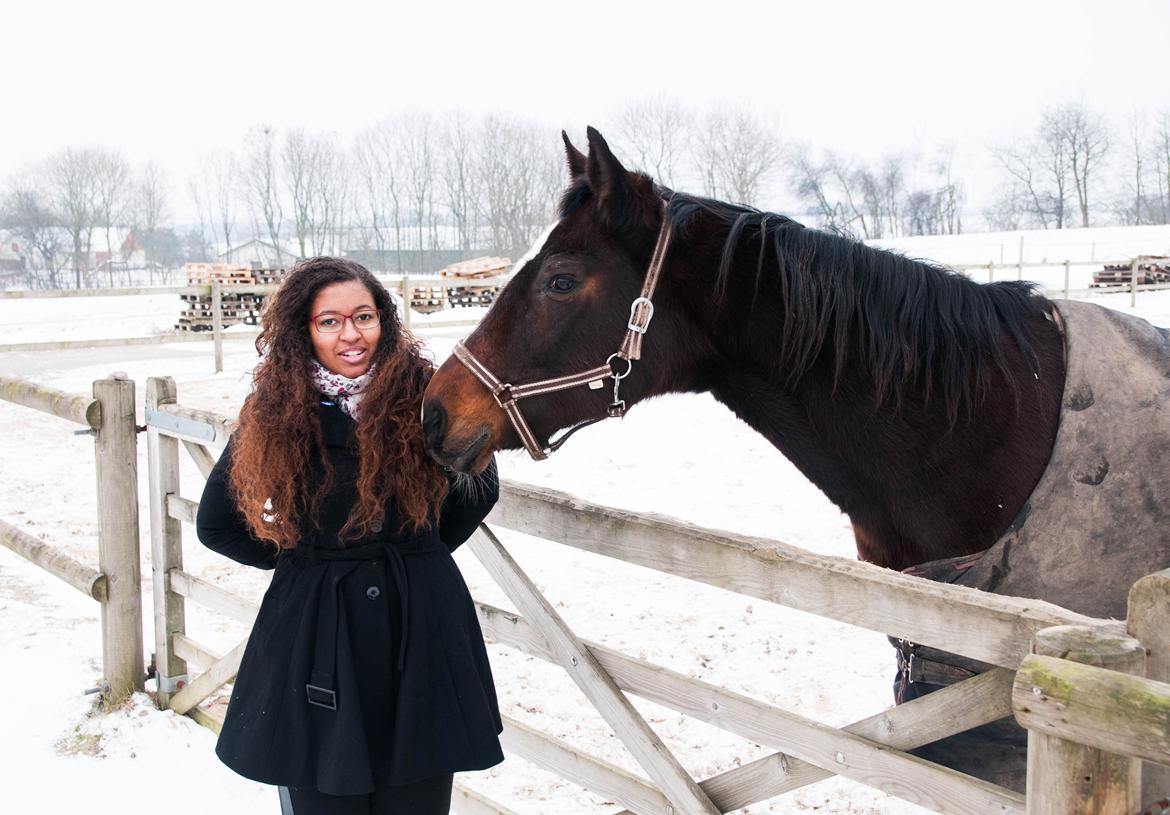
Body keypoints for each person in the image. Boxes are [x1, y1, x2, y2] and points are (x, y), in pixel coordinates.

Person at [196, 256, 503, 814]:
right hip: (318, 633)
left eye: (363, 316)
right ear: (303, 331)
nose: (351, 334)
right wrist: (307, 563)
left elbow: (478, 490)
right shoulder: (274, 412)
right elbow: (217, 524)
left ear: (384, 319)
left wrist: (415, 557)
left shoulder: (429, 397)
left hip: (422, 627)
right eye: (330, 321)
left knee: (417, 796)